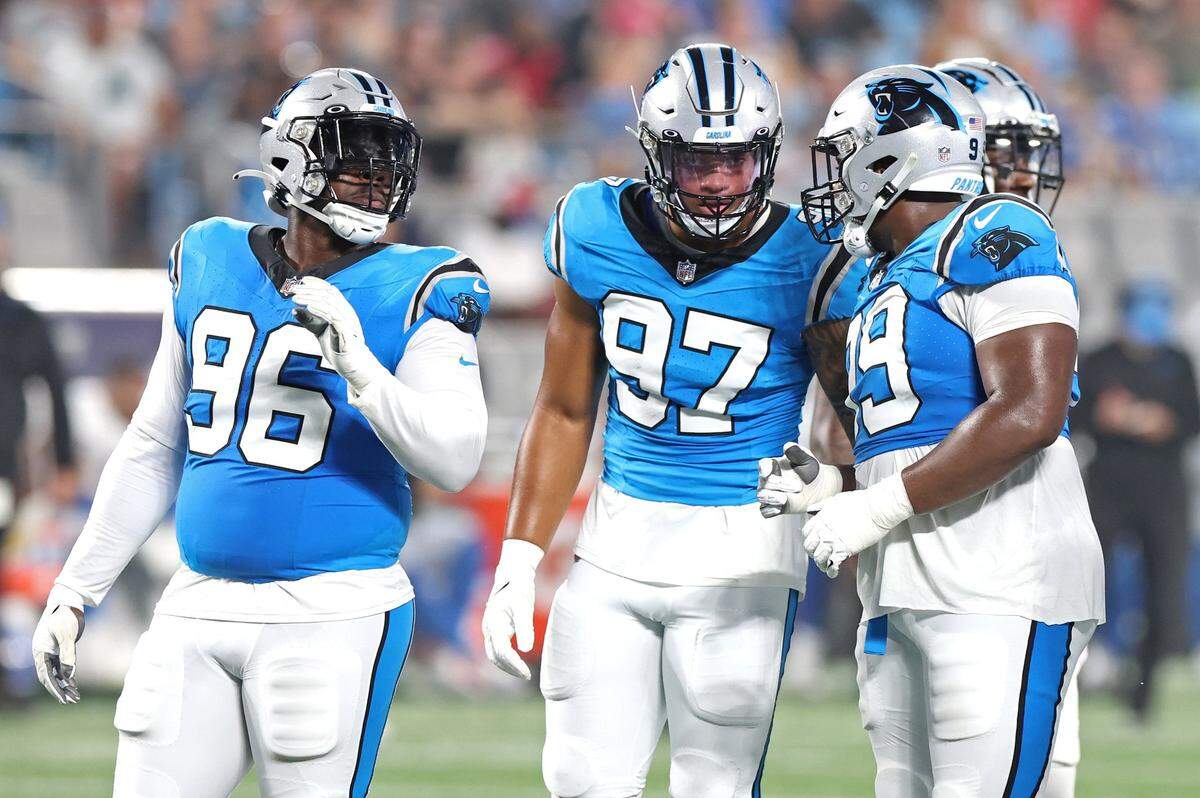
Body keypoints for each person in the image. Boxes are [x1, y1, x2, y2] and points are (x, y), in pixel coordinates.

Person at [30, 67, 490, 797]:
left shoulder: (423, 284)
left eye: (387, 157)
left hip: (333, 609)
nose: (379, 178)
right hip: (196, 601)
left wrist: (362, 369)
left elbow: (457, 459)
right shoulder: (206, 254)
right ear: (292, 158)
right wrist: (74, 591)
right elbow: (155, 443)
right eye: (356, 154)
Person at [480, 44, 864, 796]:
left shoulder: (812, 256)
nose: (719, 181)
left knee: (714, 786)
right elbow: (563, 407)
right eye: (696, 161)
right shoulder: (593, 227)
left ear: (767, 156)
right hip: (616, 538)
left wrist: (850, 499)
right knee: (581, 779)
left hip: (743, 551)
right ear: (657, 155)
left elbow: (857, 417)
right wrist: (519, 558)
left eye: (737, 160)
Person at [761, 64, 1104, 796]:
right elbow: (919, 442)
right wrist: (840, 484)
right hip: (904, 581)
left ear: (892, 158)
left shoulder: (997, 229)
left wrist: (876, 507)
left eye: (845, 154)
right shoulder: (882, 272)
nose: (833, 176)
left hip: (999, 582)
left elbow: (1030, 412)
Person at [936, 56, 1082, 797]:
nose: (1024, 172)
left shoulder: (1014, 249)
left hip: (1010, 543)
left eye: (1029, 150)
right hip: (952, 549)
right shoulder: (920, 264)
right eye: (1004, 151)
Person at [1074, 281, 1199, 722]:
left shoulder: (1177, 361)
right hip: (1108, 490)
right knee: (1089, 586)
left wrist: (1155, 421)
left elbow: (1188, 420)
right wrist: (1112, 419)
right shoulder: (1101, 359)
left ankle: (1142, 693)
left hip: (1164, 495)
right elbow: (1076, 417)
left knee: (1163, 598)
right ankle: (1085, 672)